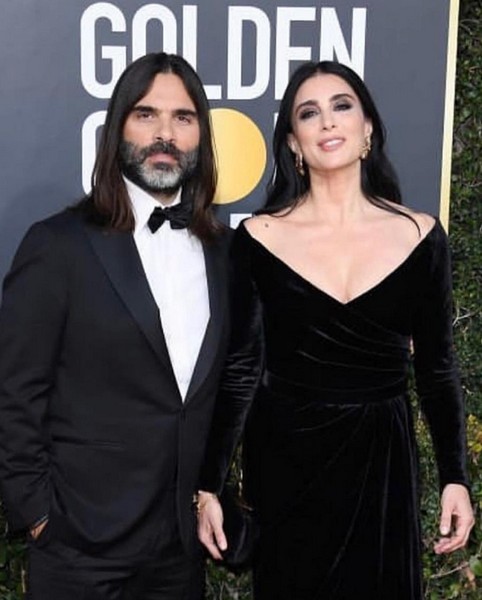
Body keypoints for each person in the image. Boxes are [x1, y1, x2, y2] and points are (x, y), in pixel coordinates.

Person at [196, 60, 474, 599]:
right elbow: (241, 369)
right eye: (308, 113)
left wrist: (454, 477)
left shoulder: (420, 237)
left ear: (367, 128)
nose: (327, 121)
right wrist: (209, 485)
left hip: (382, 461)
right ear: (293, 143)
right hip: (287, 460)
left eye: (341, 106)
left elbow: (437, 369)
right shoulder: (258, 238)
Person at [0, 52, 232, 599]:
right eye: (146, 114)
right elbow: (15, 390)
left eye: (182, 117)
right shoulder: (58, 245)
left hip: (178, 554)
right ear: (118, 128)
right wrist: (39, 515)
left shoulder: (222, 252)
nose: (165, 134)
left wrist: (208, 490)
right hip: (79, 550)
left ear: (201, 135)